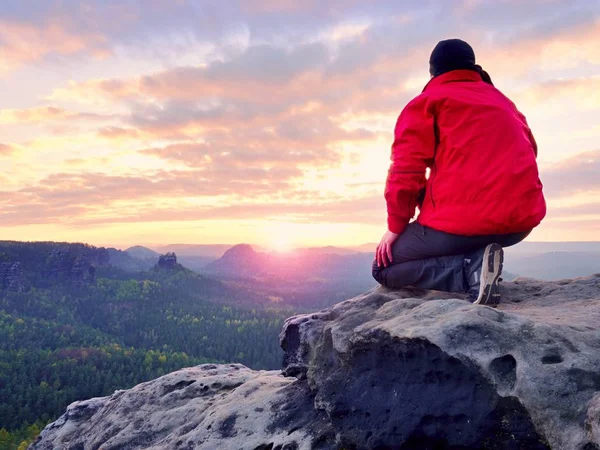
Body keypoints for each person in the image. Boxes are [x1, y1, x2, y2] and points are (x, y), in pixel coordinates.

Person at [372, 38, 546, 306]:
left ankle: (469, 271)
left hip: (460, 227)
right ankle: (480, 257)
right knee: (466, 231)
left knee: (382, 267)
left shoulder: (428, 102)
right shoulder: (504, 102)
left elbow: (406, 169)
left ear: (433, 72)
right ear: (473, 67)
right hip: (519, 224)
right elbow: (530, 151)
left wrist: (396, 225)